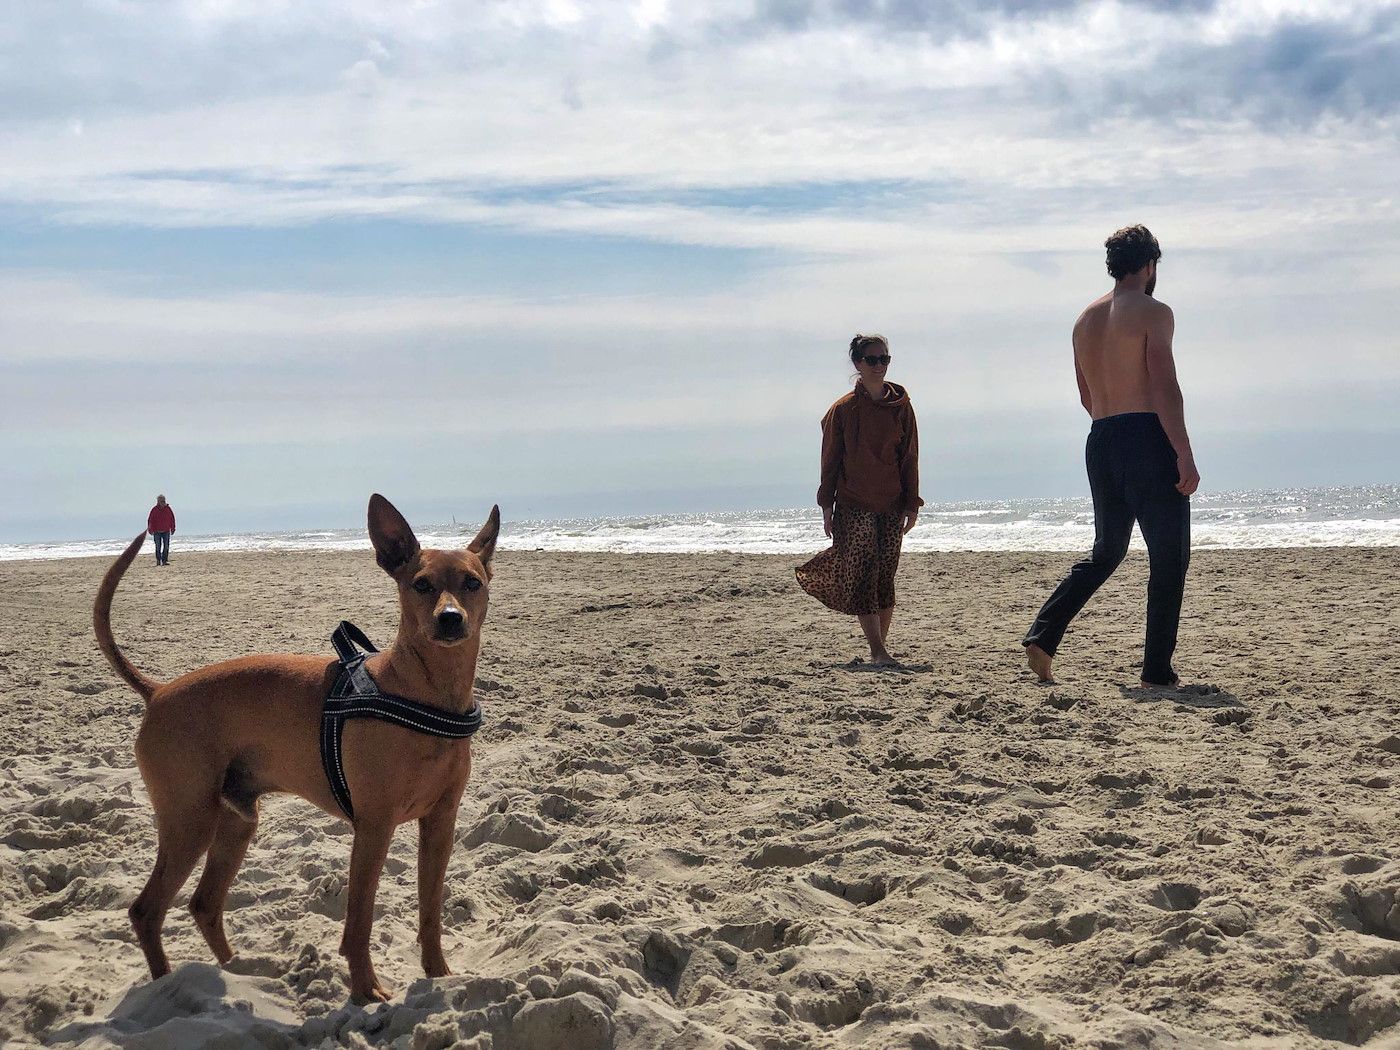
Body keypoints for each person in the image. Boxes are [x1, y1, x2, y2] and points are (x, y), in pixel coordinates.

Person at [1023, 225, 1199, 688]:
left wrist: (1114, 422)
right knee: (1169, 556)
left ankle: (1044, 635)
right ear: (1149, 265)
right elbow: (1163, 384)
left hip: (1101, 437)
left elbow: (1085, 394)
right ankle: (1156, 673)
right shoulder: (1154, 311)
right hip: (1145, 434)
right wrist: (1183, 452)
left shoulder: (1085, 319)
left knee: (1107, 551)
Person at [796, 334, 922, 666]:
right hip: (853, 503)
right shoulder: (842, 410)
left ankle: (880, 648)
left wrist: (912, 503)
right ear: (857, 364)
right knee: (863, 575)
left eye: (884, 359)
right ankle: (878, 651)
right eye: (871, 360)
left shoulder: (901, 407)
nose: (878, 366)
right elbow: (830, 460)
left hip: (892, 504)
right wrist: (827, 506)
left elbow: (910, 457)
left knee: (885, 576)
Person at [147, 495, 175, 566]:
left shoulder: (168, 509)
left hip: (166, 531)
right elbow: (150, 520)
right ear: (158, 502)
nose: (163, 502)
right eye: (161, 501)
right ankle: (158, 560)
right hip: (157, 531)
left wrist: (173, 528)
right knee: (158, 546)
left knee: (166, 546)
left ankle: (164, 560)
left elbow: (172, 519)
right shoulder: (154, 509)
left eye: (164, 501)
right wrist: (150, 529)